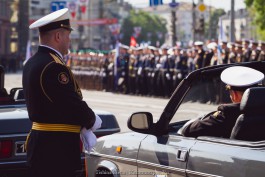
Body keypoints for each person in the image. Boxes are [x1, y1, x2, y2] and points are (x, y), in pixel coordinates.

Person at [23, 8, 101, 177]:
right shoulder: (53, 66)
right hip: (55, 148)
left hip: (43, 144)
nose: (69, 40)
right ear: (58, 36)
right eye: (67, 35)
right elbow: (70, 102)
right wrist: (91, 120)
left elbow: (55, 104)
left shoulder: (32, 62)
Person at [182, 66, 264, 138]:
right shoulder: (260, 111)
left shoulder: (227, 114)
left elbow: (189, 130)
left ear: (234, 95)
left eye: (230, 92)